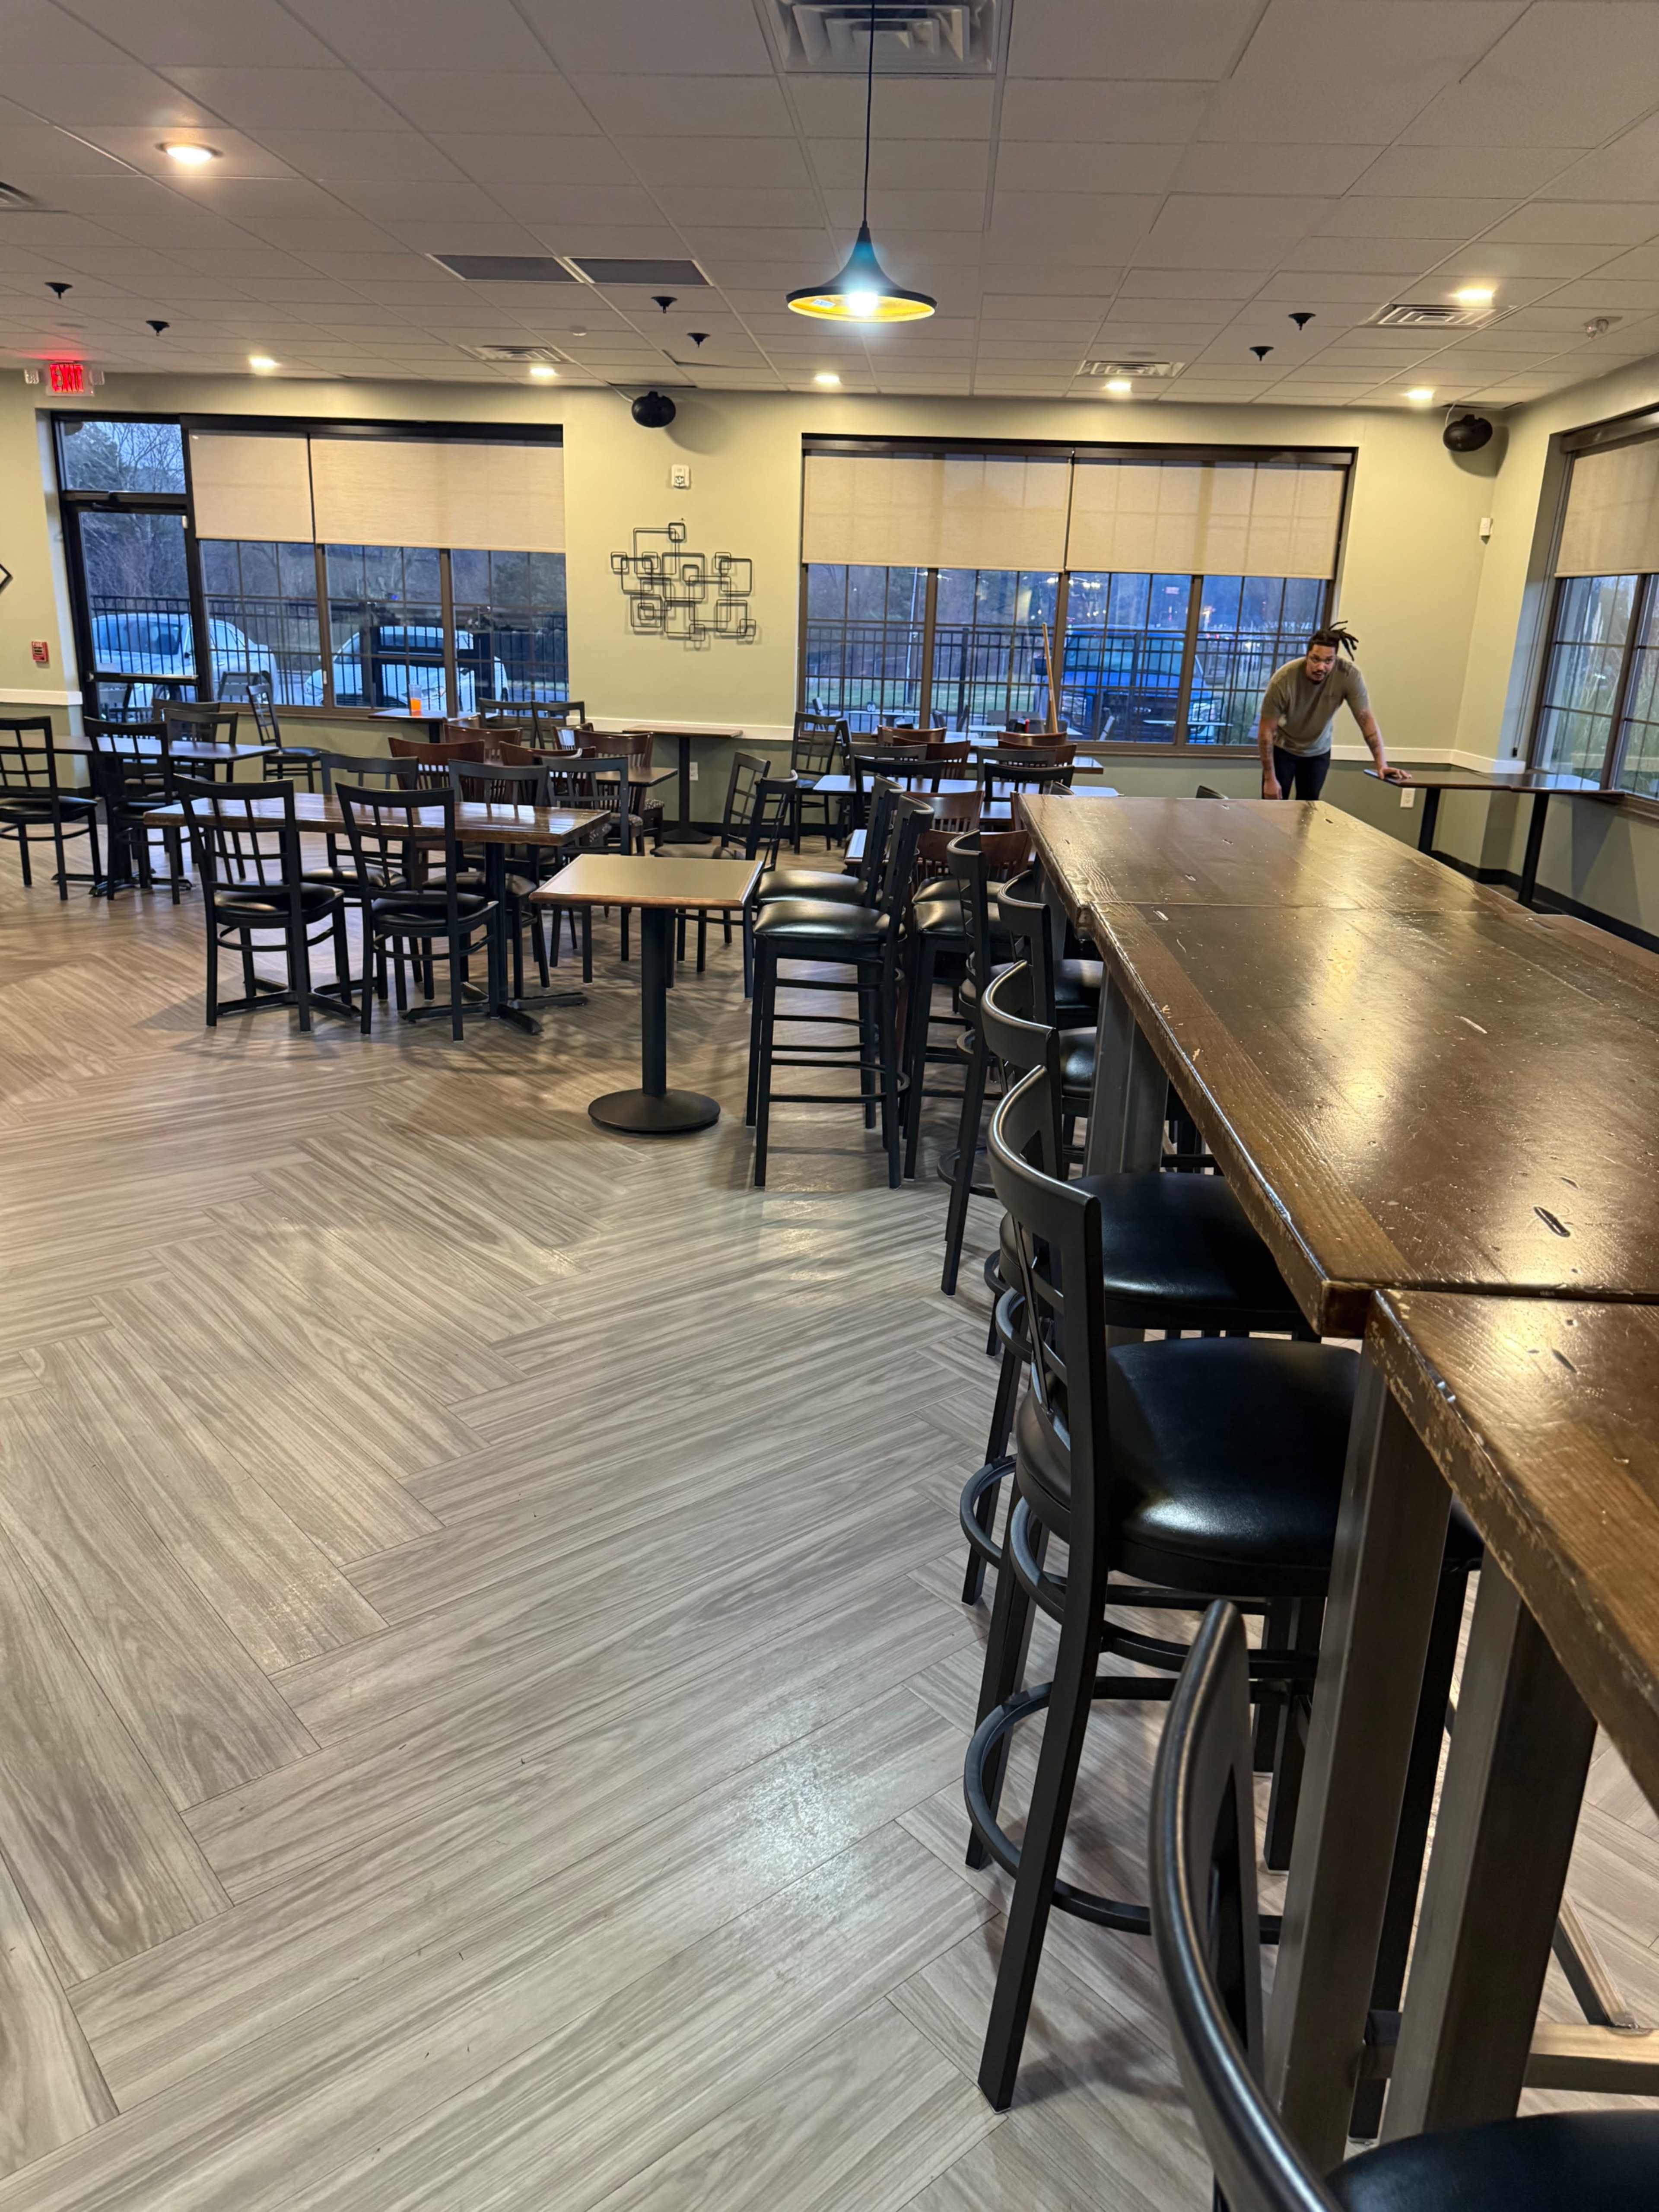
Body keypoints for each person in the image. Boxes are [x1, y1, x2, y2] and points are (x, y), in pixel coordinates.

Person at [1255, 622, 1404, 800]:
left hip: (1318, 752)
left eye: (1328, 661)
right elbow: (1266, 730)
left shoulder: (1349, 675)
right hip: (1283, 749)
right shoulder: (1284, 679)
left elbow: (1365, 719)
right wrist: (1269, 779)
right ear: (1307, 656)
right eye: (1315, 659)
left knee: (1308, 809)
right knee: (1273, 808)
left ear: (1335, 659)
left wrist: (1382, 764)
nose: (1321, 667)